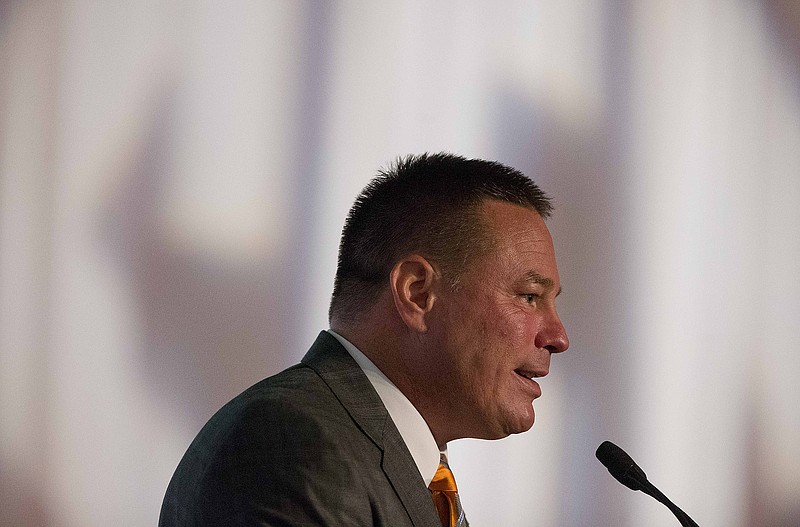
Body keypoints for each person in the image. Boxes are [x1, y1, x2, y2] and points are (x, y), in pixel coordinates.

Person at [159, 153, 569, 526]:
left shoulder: (387, 460)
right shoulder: (295, 444)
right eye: (529, 297)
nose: (558, 337)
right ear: (417, 294)